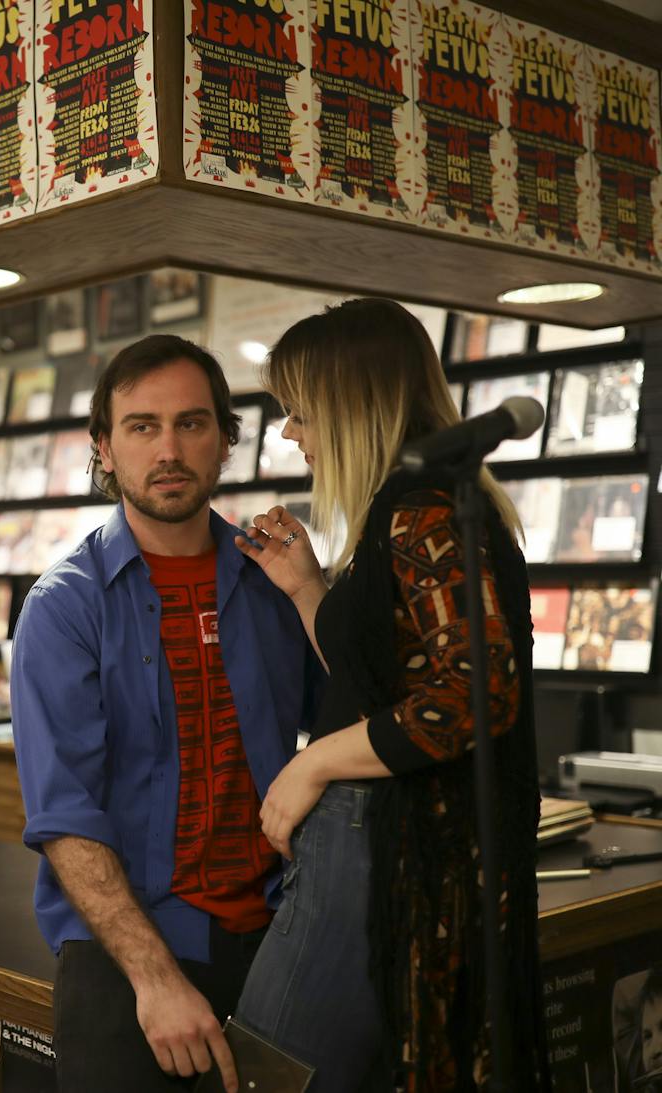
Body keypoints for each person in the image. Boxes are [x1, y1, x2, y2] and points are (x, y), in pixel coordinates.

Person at [228, 298, 548, 1090]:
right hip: (390, 844)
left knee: (272, 1073)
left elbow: (470, 695)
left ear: (349, 405)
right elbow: (382, 680)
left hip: (381, 844)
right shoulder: (405, 512)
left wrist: (311, 765)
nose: (292, 432)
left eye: (299, 411)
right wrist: (308, 589)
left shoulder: (421, 512)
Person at [11, 334, 323, 1093]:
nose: (170, 448)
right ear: (105, 448)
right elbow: (65, 816)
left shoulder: (272, 578)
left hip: (275, 941)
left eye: (191, 423)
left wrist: (313, 592)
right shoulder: (64, 606)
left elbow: (353, 721)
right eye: (142, 426)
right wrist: (154, 978)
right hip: (128, 959)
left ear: (225, 440)